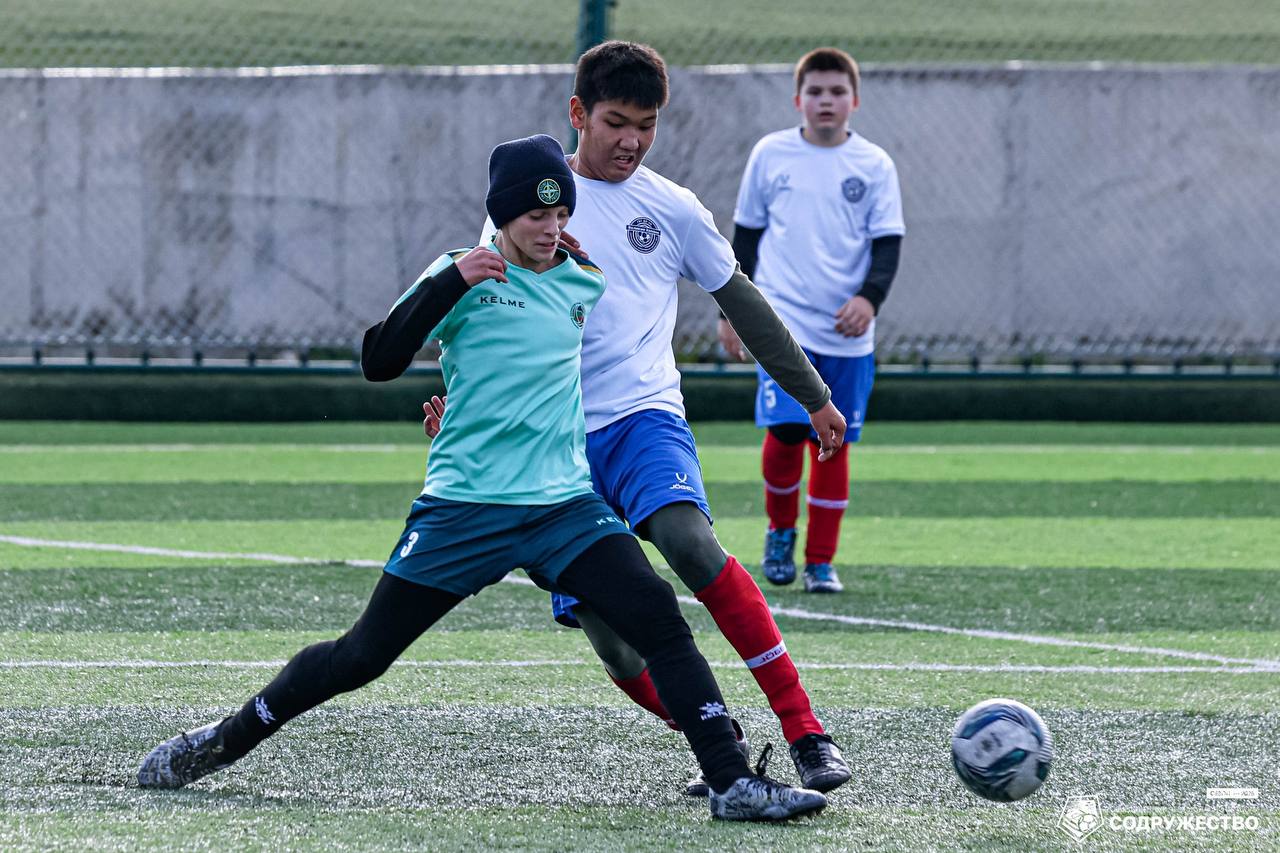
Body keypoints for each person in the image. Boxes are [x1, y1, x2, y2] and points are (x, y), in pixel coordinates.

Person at [135, 134, 827, 822]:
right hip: (466, 509)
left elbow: (558, 368)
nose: (552, 229)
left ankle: (731, 780)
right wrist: (451, 283)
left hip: (563, 508)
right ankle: (223, 740)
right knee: (361, 656)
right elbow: (379, 359)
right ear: (502, 215)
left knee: (658, 617)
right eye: (536, 216)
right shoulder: (459, 276)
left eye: (562, 215)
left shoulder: (581, 279)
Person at [429, 41, 853, 796]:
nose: (631, 141)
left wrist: (813, 396)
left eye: (646, 126)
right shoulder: (528, 209)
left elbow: (743, 302)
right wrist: (462, 416)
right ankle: (721, 745)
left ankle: (805, 732)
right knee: (616, 644)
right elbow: (487, 328)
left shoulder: (673, 207)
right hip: (554, 444)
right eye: (616, 123)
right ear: (578, 113)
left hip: (643, 417)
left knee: (688, 540)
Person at [721, 47, 905, 595]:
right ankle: (780, 532)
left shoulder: (874, 164)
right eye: (816, 92)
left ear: (855, 100)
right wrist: (731, 313)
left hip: (847, 335)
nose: (827, 101)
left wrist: (869, 299)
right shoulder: (770, 154)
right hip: (783, 327)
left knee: (834, 442)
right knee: (783, 433)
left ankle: (821, 561)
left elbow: (888, 245)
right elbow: (745, 240)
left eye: (838, 91)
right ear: (798, 99)